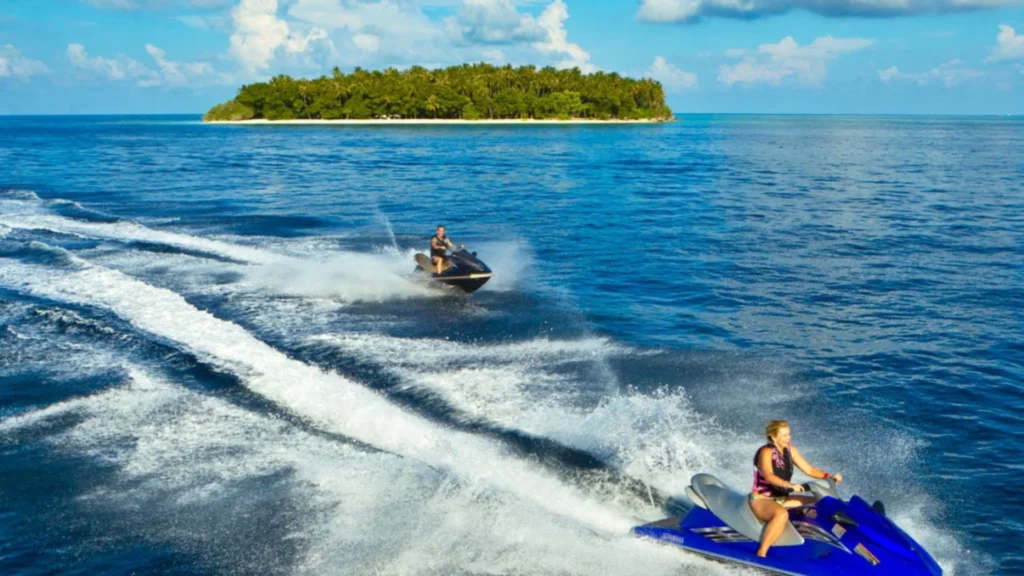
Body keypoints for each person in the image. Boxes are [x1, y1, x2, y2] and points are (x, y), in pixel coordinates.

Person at [749, 419, 843, 558]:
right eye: (784, 435)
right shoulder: (766, 452)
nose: (788, 438)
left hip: (783, 499)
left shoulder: (790, 450)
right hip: (762, 499)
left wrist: (829, 476)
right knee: (781, 514)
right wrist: (790, 485)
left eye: (789, 434)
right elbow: (769, 476)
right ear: (773, 437)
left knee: (819, 502)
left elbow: (809, 469)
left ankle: (811, 541)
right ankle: (761, 553)